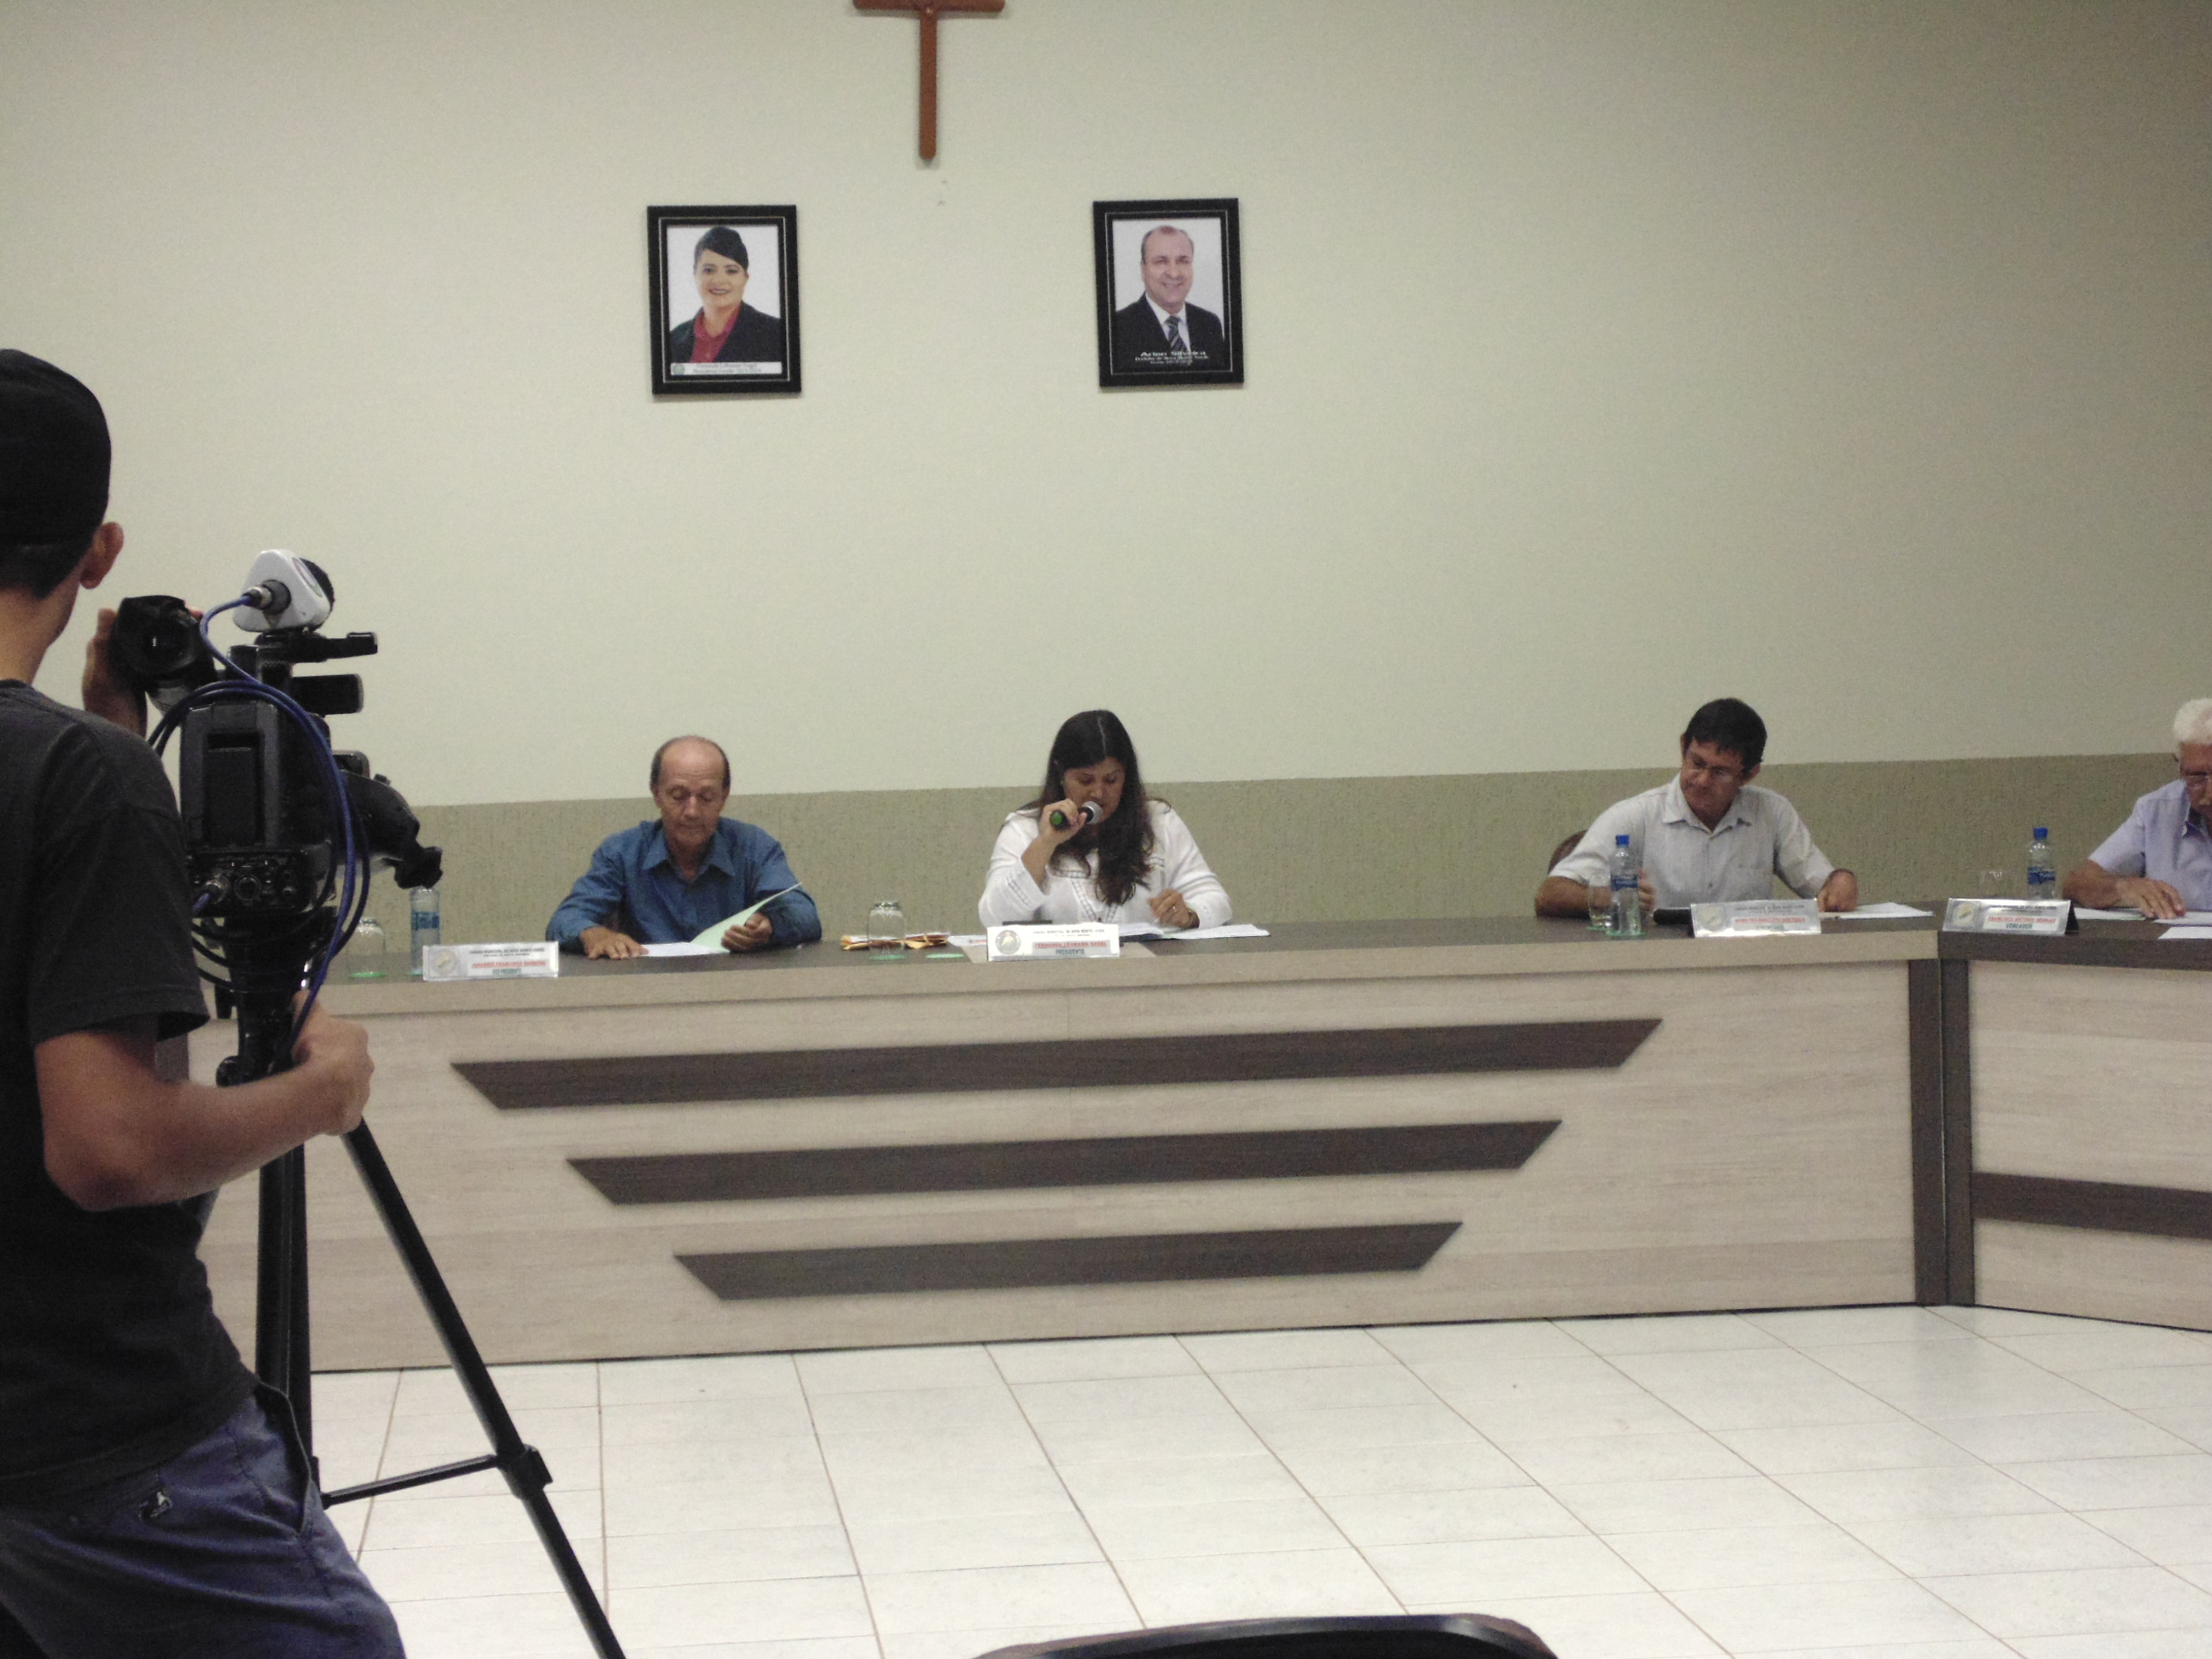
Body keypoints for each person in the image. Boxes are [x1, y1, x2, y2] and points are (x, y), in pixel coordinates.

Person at [0, 351, 399, 1654]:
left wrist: (108, 741)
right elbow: (111, 1147)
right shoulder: (80, 778)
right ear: (99, 551)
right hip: (97, 1433)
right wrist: (318, 1092)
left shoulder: (85, 768)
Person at [1535, 697, 1859, 917]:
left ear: (1748, 775)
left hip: (1748, 965)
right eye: (1697, 763)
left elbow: (1825, 885)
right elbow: (1549, 894)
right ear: (1683, 748)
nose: (1702, 781)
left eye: (1720, 772)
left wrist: (1841, 881)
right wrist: (1606, 898)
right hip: (1660, 965)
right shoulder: (1637, 816)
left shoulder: (1771, 813)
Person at [548, 735, 823, 958]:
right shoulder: (622, 852)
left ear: (724, 796)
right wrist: (592, 933)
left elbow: (805, 915)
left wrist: (770, 928)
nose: (692, 811)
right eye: (678, 796)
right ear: (656, 793)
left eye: (706, 797)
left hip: (736, 991)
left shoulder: (753, 847)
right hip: (646, 991)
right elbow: (566, 919)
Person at [981, 709, 1231, 930]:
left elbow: (1215, 899)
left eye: (1111, 780)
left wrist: (1189, 914)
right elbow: (994, 918)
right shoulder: (1024, 829)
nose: (1099, 793)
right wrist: (1045, 844)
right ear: (1060, 774)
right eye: (1085, 781)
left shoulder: (1159, 821)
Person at [2062, 698, 2212, 920]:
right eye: (2196, 777)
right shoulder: (2156, 811)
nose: (2210, 793)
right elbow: (2076, 885)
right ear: (2179, 766)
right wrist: (2122, 887)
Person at [666, 225, 786, 371]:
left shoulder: (777, 335)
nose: (719, 281)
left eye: (731, 271)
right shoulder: (672, 340)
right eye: (709, 270)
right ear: (695, 275)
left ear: (745, 278)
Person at [1109, 225, 1229, 371]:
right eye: (1161, 261)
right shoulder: (1117, 328)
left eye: (1183, 261)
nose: (1173, 273)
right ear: (1143, 269)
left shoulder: (1210, 324)